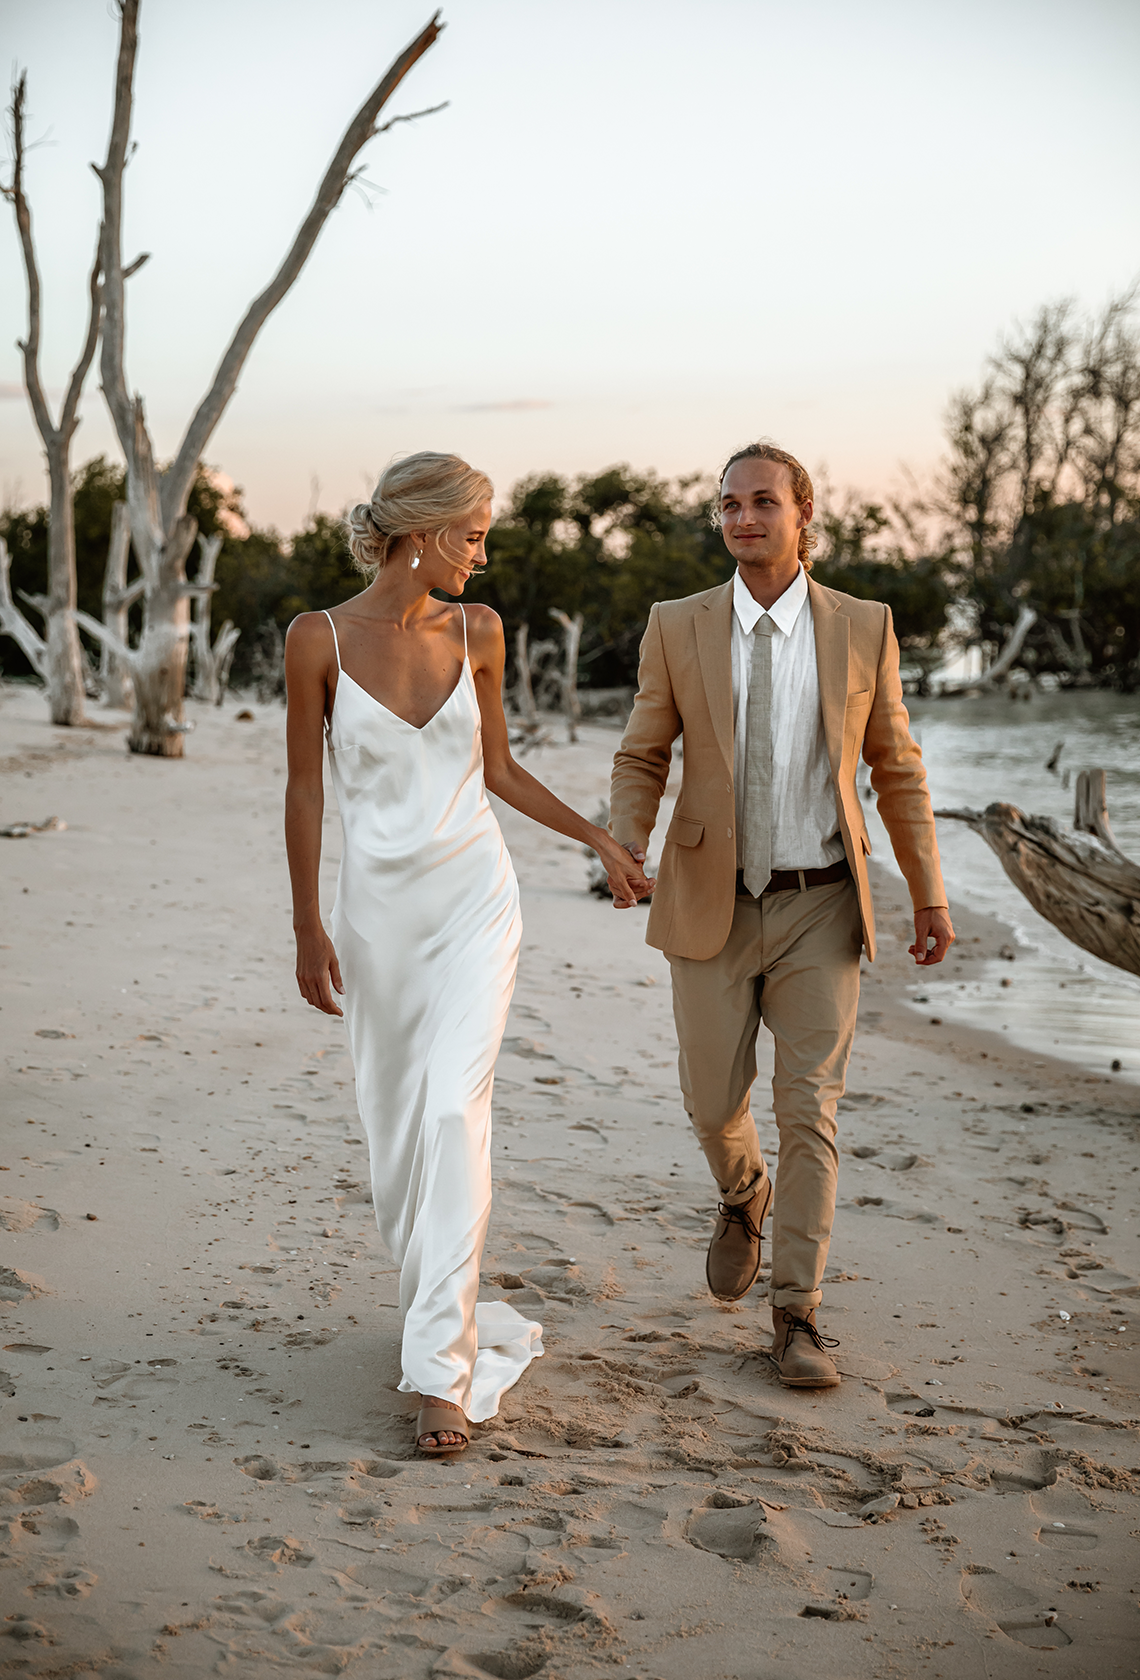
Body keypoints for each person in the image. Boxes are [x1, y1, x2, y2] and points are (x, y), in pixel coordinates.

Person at [284, 452, 651, 1453]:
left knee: (454, 1107)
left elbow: (496, 770)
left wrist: (601, 841)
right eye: (473, 535)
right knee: (398, 1133)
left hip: (475, 904)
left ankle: (439, 1375)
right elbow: (305, 791)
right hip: (373, 918)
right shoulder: (315, 639)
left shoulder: (478, 632)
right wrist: (307, 923)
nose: (483, 558)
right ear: (418, 532)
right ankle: (431, 1311)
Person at [607, 441, 953, 1387]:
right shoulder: (677, 626)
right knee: (712, 1102)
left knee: (810, 1112)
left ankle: (797, 1313)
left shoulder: (862, 626)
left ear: (804, 514)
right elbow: (644, 753)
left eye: (762, 502)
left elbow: (896, 770)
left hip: (822, 902)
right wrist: (622, 841)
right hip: (707, 899)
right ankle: (740, 1194)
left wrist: (927, 890)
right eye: (727, 505)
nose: (742, 518)